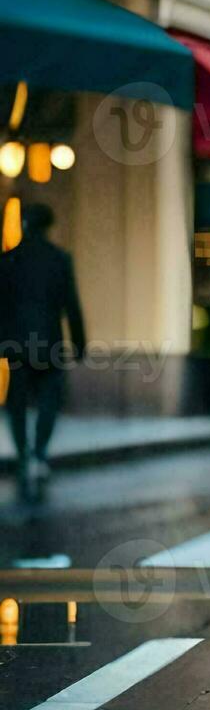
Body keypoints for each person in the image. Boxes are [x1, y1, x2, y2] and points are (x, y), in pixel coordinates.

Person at [0, 204, 86, 503]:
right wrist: (79, 342)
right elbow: (71, 305)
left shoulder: (8, 260)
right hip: (48, 342)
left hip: (16, 345)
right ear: (48, 226)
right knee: (50, 399)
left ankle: (24, 454)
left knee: (17, 402)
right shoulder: (59, 259)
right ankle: (39, 454)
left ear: (24, 225)